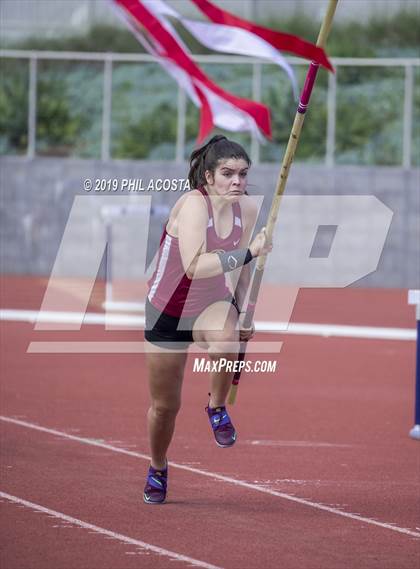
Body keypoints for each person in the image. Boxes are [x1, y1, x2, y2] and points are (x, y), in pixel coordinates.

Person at [143, 135, 272, 504]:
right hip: (166, 309)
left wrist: (246, 310)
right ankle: (158, 465)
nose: (237, 182)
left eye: (243, 174)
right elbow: (195, 266)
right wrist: (250, 251)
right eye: (228, 173)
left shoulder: (245, 209)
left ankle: (217, 407)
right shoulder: (192, 206)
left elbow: (245, 272)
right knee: (165, 407)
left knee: (226, 339)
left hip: (210, 304)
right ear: (209, 176)